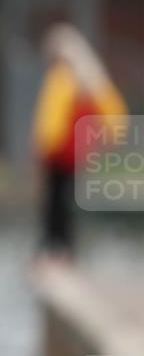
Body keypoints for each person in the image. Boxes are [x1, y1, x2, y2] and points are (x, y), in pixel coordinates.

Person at [31, 23, 128, 258]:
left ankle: (54, 248)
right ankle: (62, 248)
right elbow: (115, 116)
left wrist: (41, 147)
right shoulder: (92, 79)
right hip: (74, 153)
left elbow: (51, 121)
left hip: (59, 153)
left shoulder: (63, 79)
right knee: (64, 202)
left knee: (55, 203)